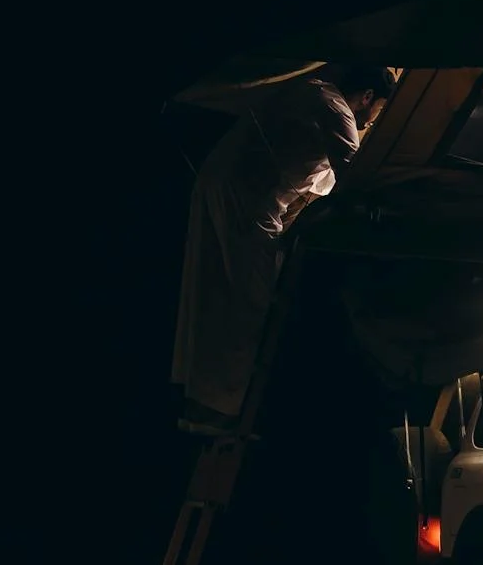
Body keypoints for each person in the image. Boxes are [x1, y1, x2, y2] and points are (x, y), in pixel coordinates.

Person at [171, 65, 399, 434]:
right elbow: (355, 175)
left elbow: (317, 184)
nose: (373, 120)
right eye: (378, 111)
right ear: (368, 97)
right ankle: (218, 412)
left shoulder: (312, 93)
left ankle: (199, 403)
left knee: (213, 291)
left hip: (228, 186)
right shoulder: (333, 105)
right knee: (247, 303)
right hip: (247, 199)